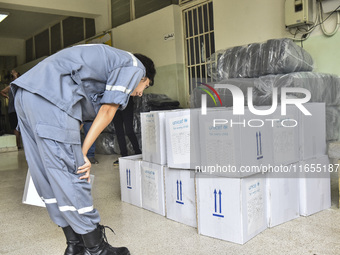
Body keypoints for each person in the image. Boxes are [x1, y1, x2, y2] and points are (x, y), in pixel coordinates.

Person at [11, 44, 156, 255]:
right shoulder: (135, 66)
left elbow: (77, 117)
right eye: (146, 86)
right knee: (73, 172)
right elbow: (108, 111)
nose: (140, 94)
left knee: (47, 173)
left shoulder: (102, 65)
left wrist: (76, 146)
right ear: (145, 76)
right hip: (51, 99)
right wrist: (82, 153)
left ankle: (75, 244)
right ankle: (96, 249)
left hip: (26, 95)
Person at [113, 96, 142, 166]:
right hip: (114, 104)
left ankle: (138, 153)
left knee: (129, 130)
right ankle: (124, 155)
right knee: (119, 132)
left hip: (127, 103)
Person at [0, 69, 21, 148]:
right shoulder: (12, 85)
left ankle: (19, 144)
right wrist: (7, 97)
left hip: (17, 110)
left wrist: (14, 73)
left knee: (17, 128)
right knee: (15, 128)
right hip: (13, 110)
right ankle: (18, 144)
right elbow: (2, 92)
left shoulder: (17, 85)